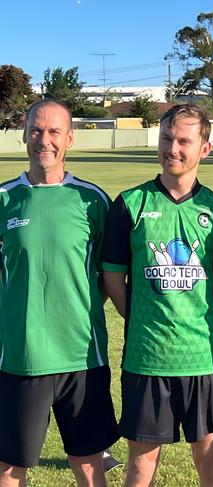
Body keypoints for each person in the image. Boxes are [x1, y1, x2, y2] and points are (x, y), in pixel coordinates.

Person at [102, 104, 213, 487]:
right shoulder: (130, 204)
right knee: (141, 467)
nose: (172, 148)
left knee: (210, 464)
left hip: (204, 360)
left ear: (204, 149)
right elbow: (113, 279)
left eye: (183, 141)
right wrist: (143, 319)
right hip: (147, 360)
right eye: (166, 138)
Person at [0, 99, 119, 486]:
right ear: (24, 134)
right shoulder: (4, 199)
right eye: (36, 130)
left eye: (53, 132)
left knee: (87, 462)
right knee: (9, 465)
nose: (43, 140)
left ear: (70, 138)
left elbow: (107, 276)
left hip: (82, 356)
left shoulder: (93, 201)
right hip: (20, 357)